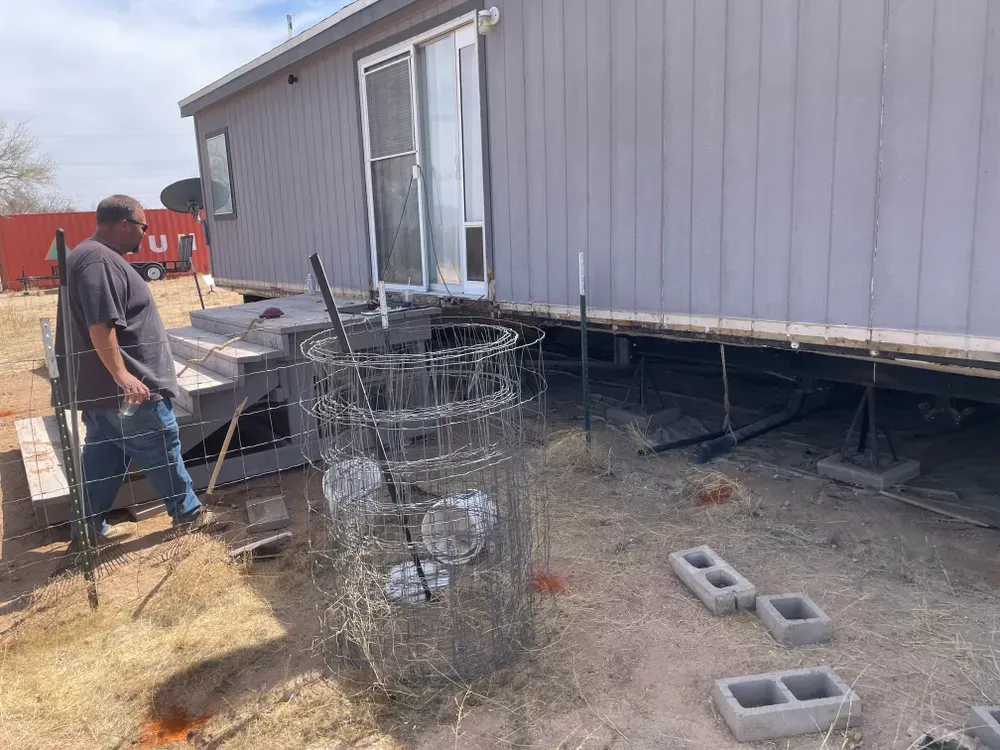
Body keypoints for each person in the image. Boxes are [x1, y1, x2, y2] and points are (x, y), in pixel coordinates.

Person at [55, 194, 217, 551]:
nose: (145, 234)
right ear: (125, 224)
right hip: (129, 391)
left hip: (103, 393)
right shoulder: (99, 260)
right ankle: (189, 515)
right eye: (143, 227)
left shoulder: (88, 256)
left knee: (103, 460)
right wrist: (123, 375)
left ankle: (86, 530)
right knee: (161, 446)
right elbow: (100, 323)